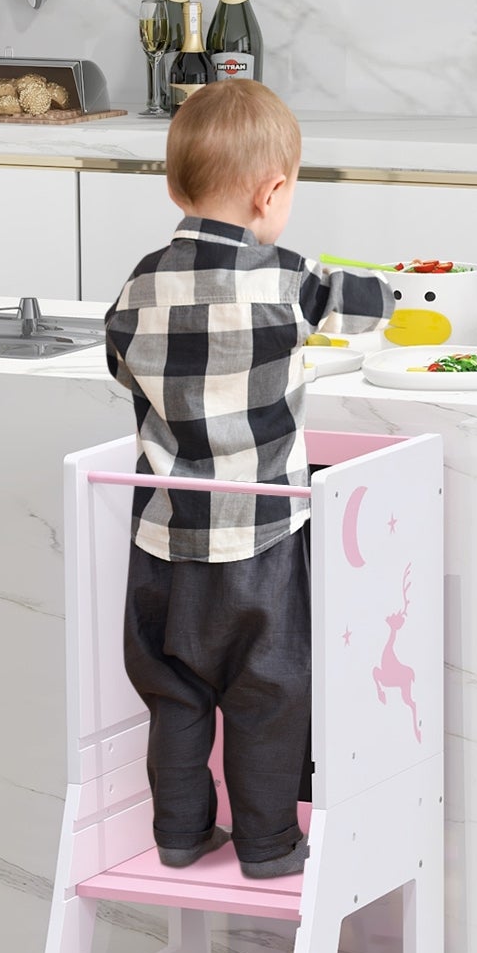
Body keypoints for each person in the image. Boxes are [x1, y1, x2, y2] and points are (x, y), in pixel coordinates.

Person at [104, 81, 391, 879]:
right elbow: (371, 307)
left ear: (174, 187)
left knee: (176, 694)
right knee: (268, 695)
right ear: (273, 192)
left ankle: (182, 833)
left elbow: (120, 368)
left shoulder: (138, 286)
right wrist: (393, 291)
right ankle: (267, 844)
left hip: (162, 542)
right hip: (260, 542)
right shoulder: (289, 280)